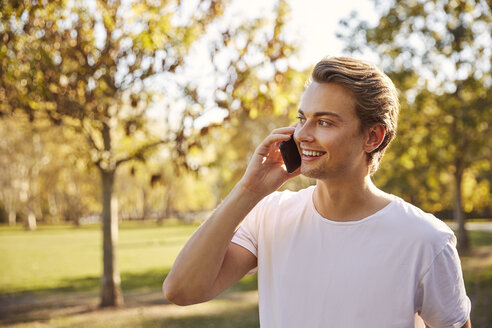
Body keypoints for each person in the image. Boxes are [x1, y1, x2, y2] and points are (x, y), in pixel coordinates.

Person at [163, 57, 472, 328]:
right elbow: (182, 290)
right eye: (302, 119)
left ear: (373, 137)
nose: (302, 135)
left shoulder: (427, 240)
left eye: (324, 122)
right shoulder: (270, 215)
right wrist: (249, 190)